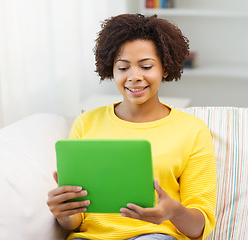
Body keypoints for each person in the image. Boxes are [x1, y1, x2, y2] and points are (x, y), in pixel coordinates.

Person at [47, 14, 217, 240]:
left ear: (165, 69)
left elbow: (199, 228)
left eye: (146, 66)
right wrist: (64, 212)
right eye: (123, 68)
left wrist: (173, 211)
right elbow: (76, 221)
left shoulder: (192, 129)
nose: (134, 77)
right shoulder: (86, 123)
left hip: (154, 235)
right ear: (112, 69)